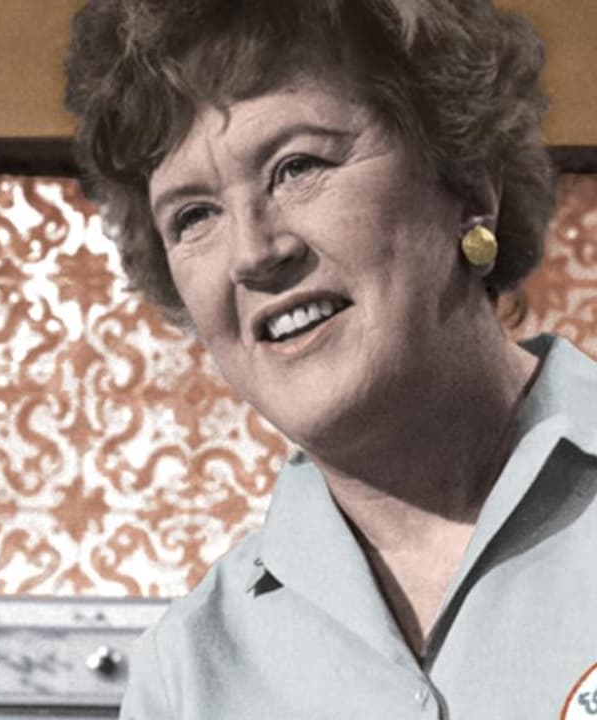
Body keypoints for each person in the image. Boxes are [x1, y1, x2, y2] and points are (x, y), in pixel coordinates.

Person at [63, 1, 597, 717]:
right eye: (194, 216)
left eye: (297, 167)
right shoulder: (187, 674)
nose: (254, 253)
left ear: (469, 183)